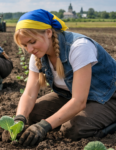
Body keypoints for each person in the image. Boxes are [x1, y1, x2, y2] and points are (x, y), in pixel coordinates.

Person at [11, 9, 116, 146]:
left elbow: (79, 101)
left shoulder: (78, 47)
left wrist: (45, 126)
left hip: (108, 98)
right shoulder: (37, 55)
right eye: (25, 45)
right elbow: (30, 94)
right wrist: (18, 120)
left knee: (72, 130)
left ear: (48, 32)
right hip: (72, 95)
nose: (29, 49)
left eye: (32, 41)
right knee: (34, 115)